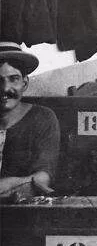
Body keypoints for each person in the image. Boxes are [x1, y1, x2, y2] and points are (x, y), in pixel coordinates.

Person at [0, 42, 59, 197]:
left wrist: (9, 184)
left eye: (13, 79)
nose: (5, 88)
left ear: (24, 83)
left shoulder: (42, 118)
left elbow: (43, 177)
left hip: (25, 211)